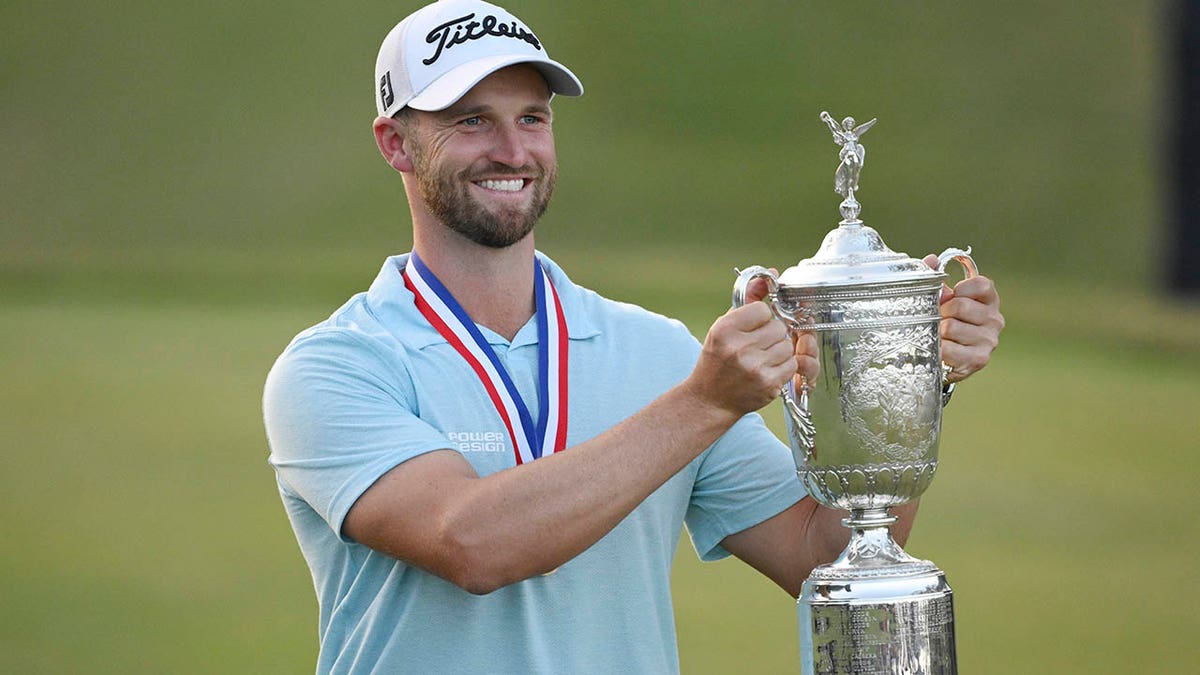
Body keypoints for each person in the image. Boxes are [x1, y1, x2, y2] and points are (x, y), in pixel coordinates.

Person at [262, 1, 1005, 673]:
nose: (512, 150)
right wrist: (704, 403)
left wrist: (898, 378)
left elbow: (824, 552)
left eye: (532, 117)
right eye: (470, 120)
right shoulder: (335, 367)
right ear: (395, 143)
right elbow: (471, 542)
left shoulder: (654, 352)